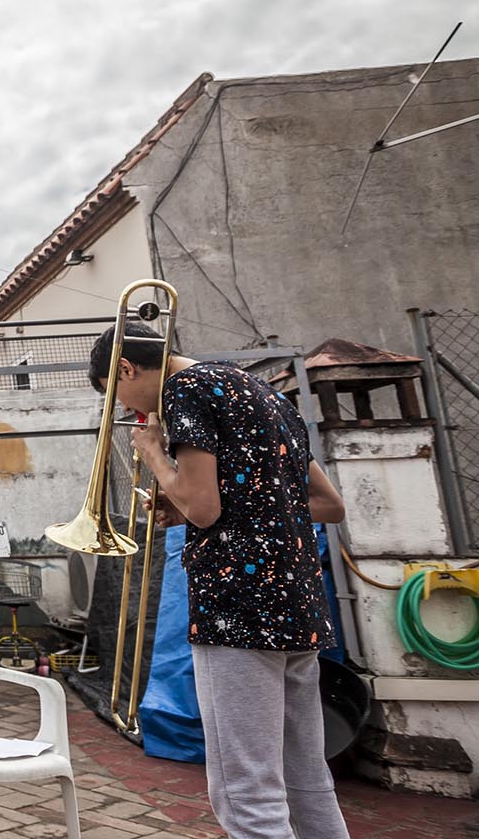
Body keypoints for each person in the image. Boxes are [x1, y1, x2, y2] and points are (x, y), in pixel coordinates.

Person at [88, 321, 348, 839]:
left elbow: (205, 509)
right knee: (306, 779)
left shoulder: (183, 390)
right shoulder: (262, 393)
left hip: (238, 610)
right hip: (297, 606)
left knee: (246, 791)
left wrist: (156, 458)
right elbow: (327, 504)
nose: (125, 410)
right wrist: (188, 507)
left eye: (115, 395)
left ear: (124, 368)